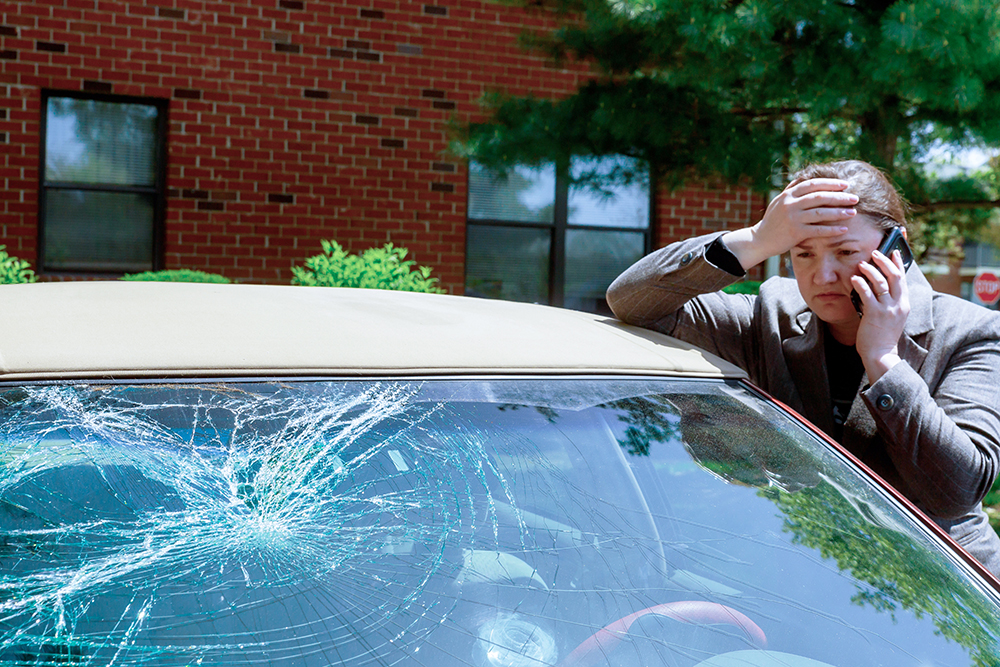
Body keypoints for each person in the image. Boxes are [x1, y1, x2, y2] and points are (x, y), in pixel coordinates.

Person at [606, 160, 1000, 576]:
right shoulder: (772, 316)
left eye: (845, 252)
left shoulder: (972, 333)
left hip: (943, 587)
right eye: (803, 253)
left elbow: (956, 492)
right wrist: (755, 240)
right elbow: (633, 303)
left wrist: (884, 360)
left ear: (895, 250)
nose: (822, 274)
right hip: (810, 575)